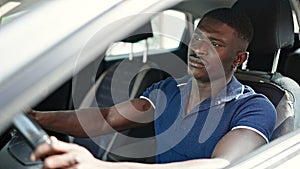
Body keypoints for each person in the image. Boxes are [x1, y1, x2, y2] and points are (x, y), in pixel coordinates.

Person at [29, 8, 276, 169]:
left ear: (238, 59)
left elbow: (222, 165)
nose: (199, 49)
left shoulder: (254, 107)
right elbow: (107, 118)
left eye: (215, 43)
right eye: (198, 37)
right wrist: (37, 119)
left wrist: (98, 166)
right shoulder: (168, 90)